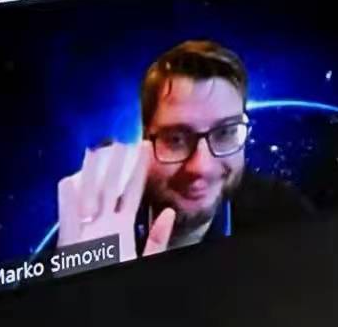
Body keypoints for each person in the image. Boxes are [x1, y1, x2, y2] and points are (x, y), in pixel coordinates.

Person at [54, 41, 310, 261]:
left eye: (225, 133)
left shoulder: (286, 217)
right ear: (144, 138)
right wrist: (92, 286)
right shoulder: (89, 230)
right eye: (176, 139)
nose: (201, 167)